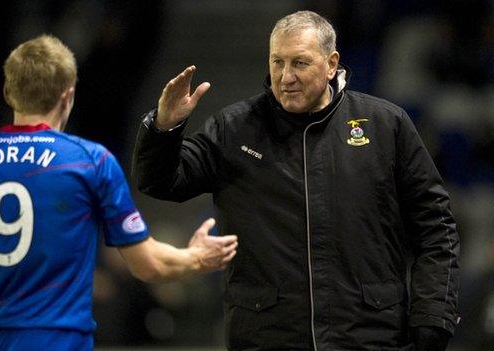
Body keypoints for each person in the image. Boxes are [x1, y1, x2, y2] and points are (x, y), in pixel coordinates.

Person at [0, 35, 238, 351]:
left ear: (8, 92)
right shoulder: (90, 161)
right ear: (68, 96)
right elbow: (147, 264)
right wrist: (197, 258)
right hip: (62, 342)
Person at [132, 10, 459, 351]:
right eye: (277, 63)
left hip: (370, 336)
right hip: (266, 337)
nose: (285, 77)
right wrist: (163, 129)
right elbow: (160, 182)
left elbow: (436, 228)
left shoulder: (385, 125)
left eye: (299, 63)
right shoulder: (234, 129)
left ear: (331, 64)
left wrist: (433, 320)